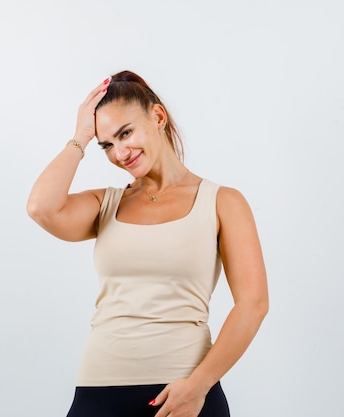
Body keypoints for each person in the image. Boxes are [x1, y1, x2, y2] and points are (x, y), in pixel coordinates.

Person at [26, 70, 268, 417]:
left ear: (157, 117)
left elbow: (253, 304)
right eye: (107, 145)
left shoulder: (222, 202)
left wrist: (197, 386)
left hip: (184, 392)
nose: (120, 153)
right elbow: (41, 208)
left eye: (125, 133)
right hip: (99, 390)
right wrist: (80, 136)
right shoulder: (106, 204)